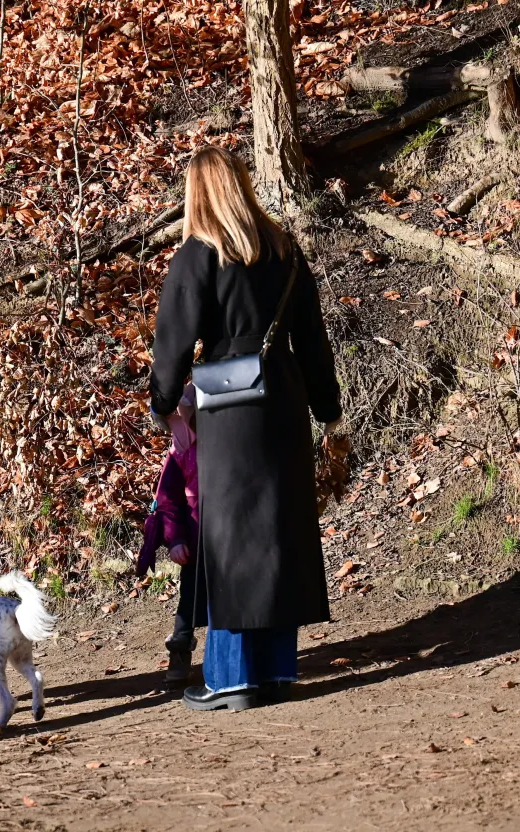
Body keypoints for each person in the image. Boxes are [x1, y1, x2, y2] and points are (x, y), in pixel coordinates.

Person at [149, 147, 341, 711]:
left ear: (197, 194)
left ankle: (230, 679)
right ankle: (278, 673)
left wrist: (165, 403)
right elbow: (312, 337)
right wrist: (327, 410)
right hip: (283, 399)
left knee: (232, 541)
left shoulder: (197, 254)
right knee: (277, 535)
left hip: (227, 409)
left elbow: (173, 342)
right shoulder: (283, 248)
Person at [135, 384, 207, 684]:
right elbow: (167, 500)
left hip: (229, 534)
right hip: (193, 538)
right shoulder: (179, 453)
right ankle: (180, 651)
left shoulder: (225, 444)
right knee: (188, 598)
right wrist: (175, 539)